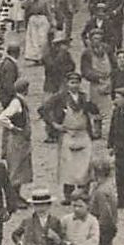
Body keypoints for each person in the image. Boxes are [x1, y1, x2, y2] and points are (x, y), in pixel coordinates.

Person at [42, 71, 101, 203]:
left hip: (83, 134)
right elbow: (44, 109)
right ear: (67, 84)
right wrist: (54, 124)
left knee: (85, 164)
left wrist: (96, 123)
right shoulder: (60, 97)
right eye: (72, 82)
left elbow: (96, 111)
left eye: (77, 82)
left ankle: (83, 192)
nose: (74, 85)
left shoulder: (84, 98)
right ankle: (68, 195)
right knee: (68, 165)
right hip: (68, 134)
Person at [0, 81, 34, 208]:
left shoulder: (19, 101)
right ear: (25, 89)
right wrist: (13, 127)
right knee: (15, 169)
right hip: (16, 140)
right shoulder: (16, 102)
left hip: (22, 140)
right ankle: (13, 200)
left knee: (21, 168)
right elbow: (2, 117)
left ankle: (17, 196)